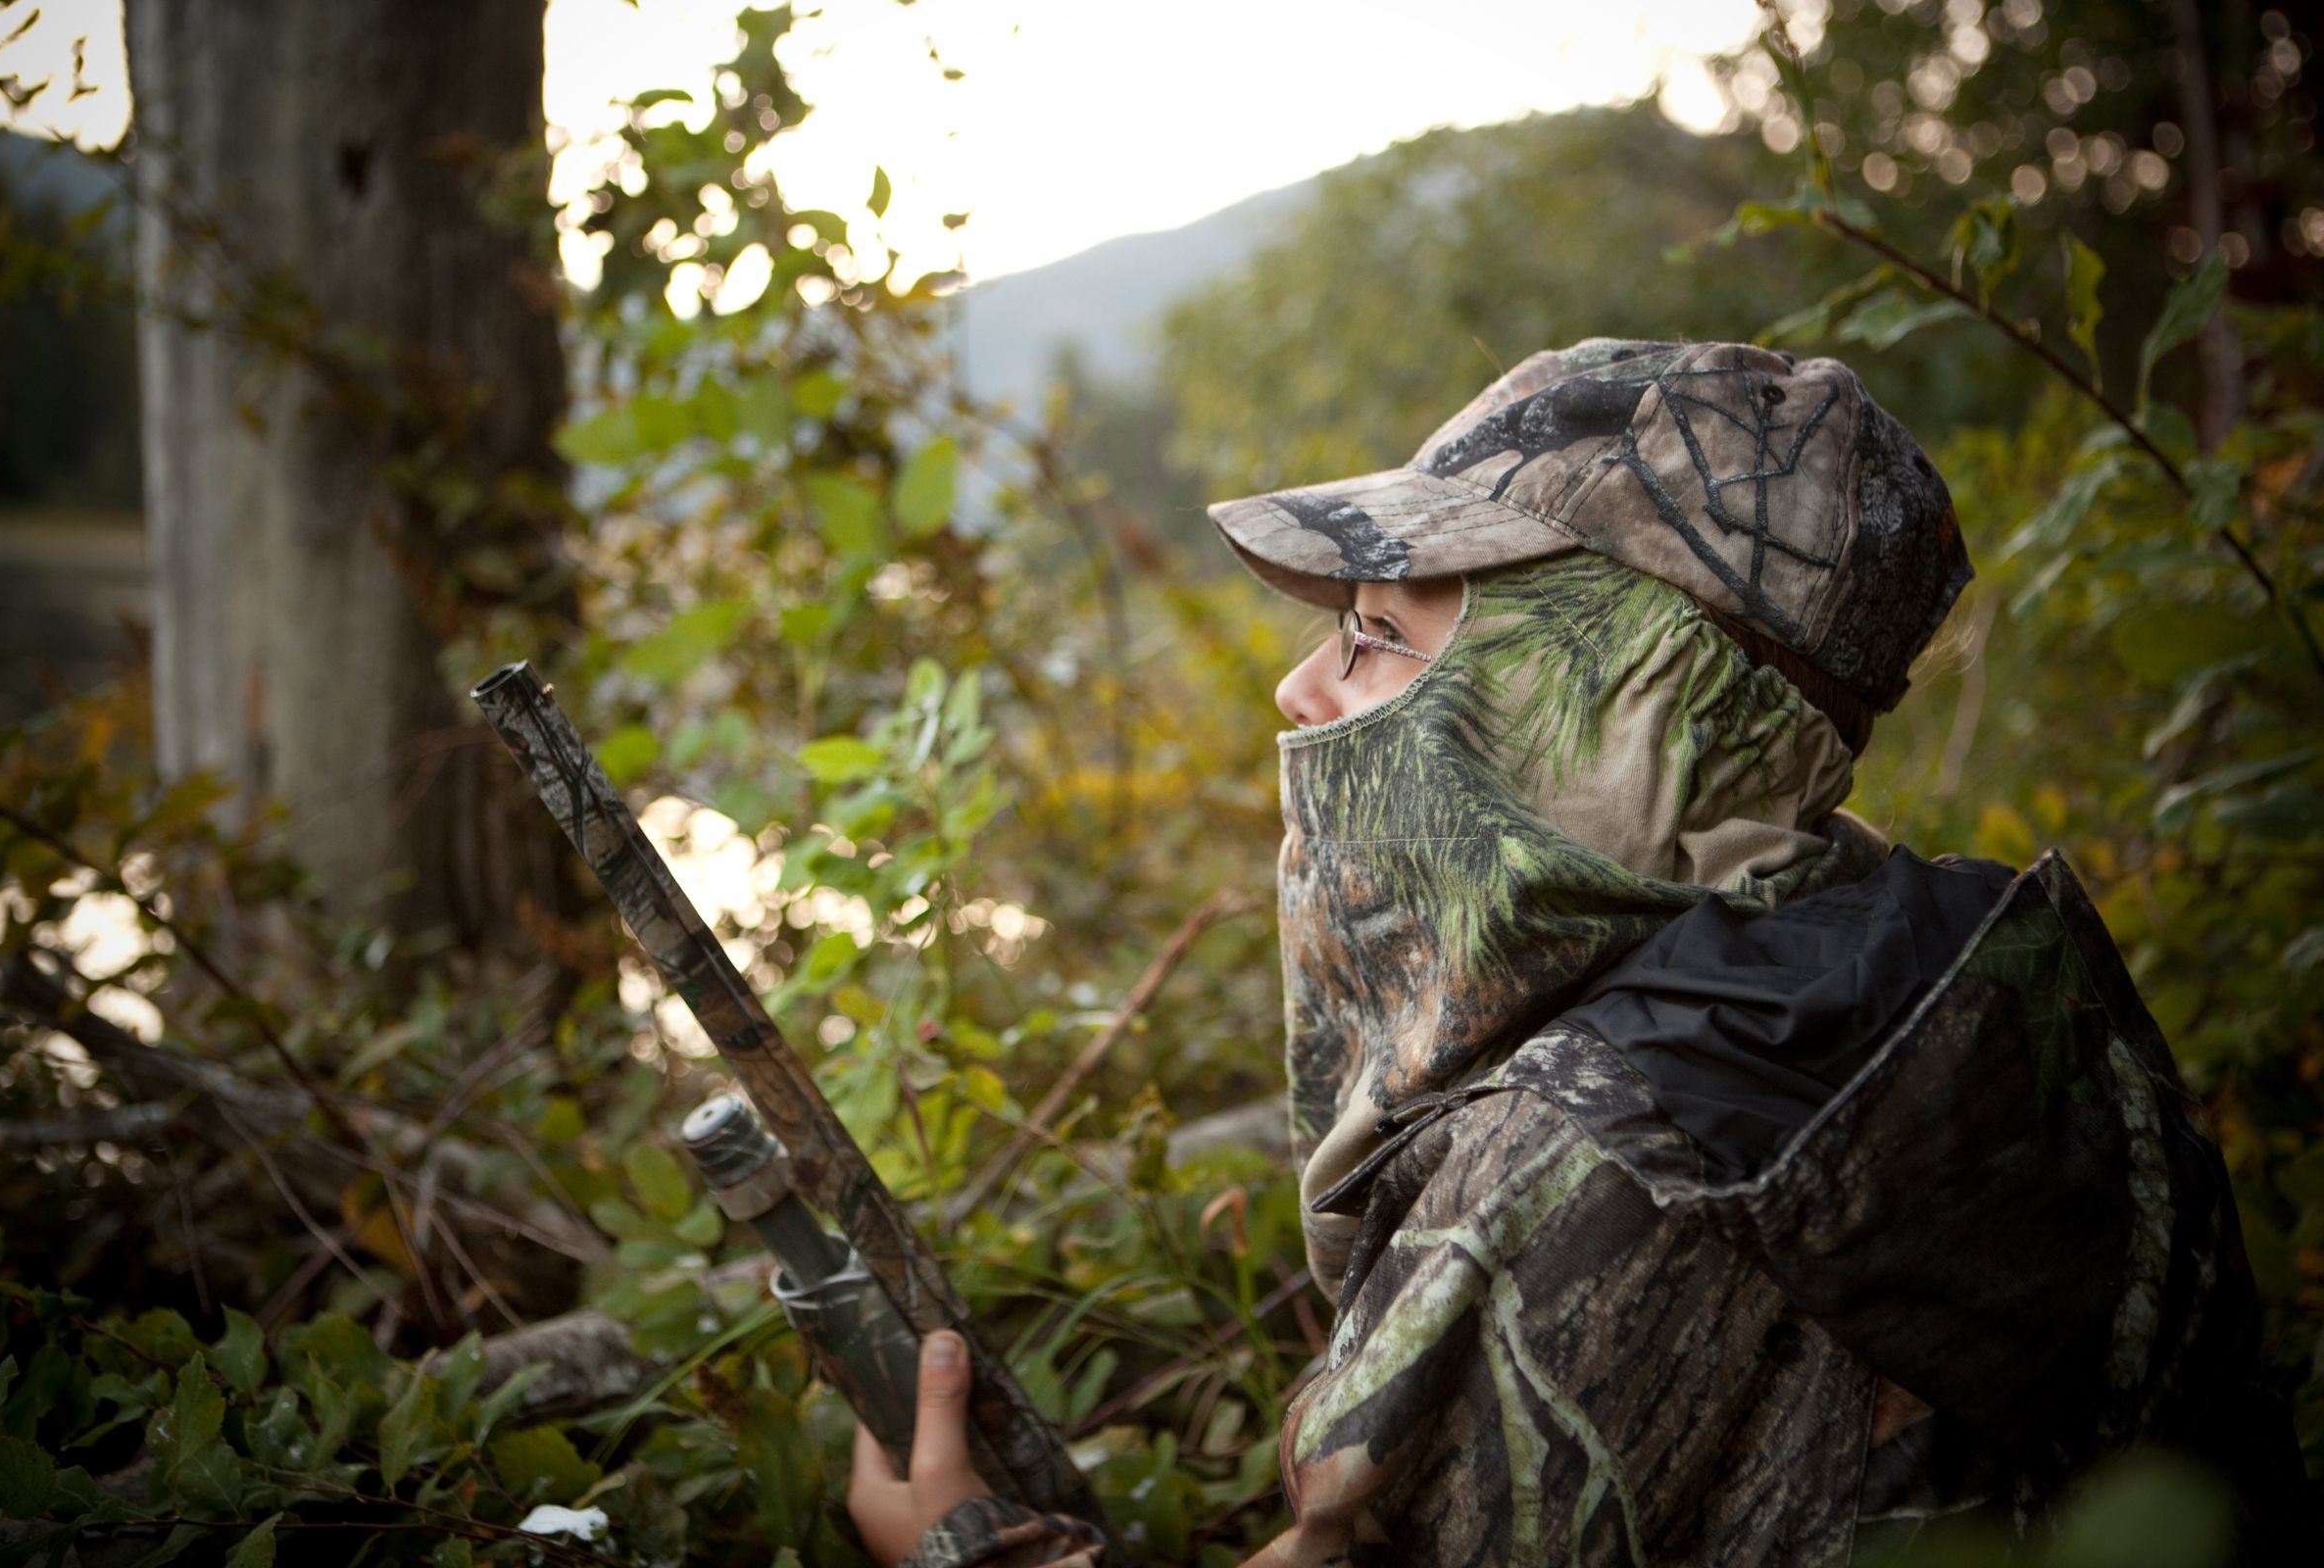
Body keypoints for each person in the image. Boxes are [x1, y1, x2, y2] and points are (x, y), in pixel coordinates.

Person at [842, 339, 2314, 1566]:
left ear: (1631, 705)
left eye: (1371, 635)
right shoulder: (1965, 988)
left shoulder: (1603, 1155)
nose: (1299, 691)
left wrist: (968, 1546)